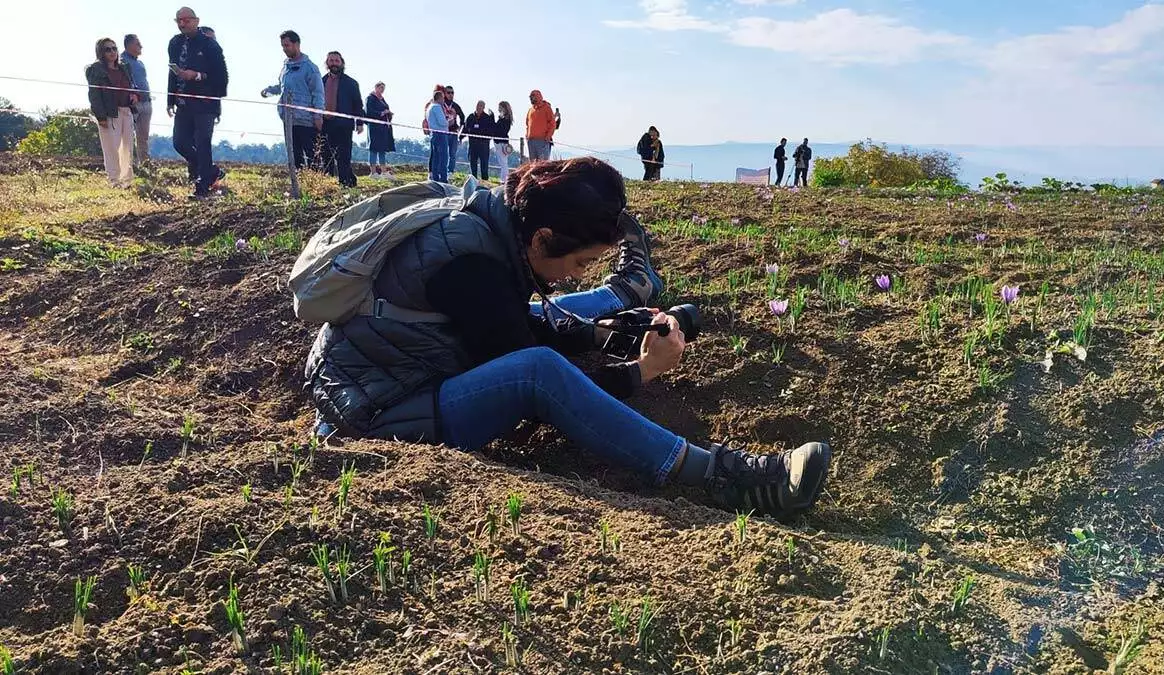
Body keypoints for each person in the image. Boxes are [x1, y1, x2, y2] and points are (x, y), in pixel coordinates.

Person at [304, 157, 832, 521]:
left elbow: (513, 325)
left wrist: (603, 334)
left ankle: (627, 296)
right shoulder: (471, 264)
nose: (567, 277)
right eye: (577, 263)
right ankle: (727, 476)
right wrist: (640, 371)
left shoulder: (491, 227)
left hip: (395, 373)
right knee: (537, 368)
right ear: (541, 238)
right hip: (374, 413)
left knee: (543, 329)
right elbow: (539, 388)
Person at [167, 6, 228, 198]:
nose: (183, 23)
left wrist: (197, 76)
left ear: (197, 21)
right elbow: (171, 71)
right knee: (179, 142)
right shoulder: (174, 43)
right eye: (179, 20)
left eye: (186, 19)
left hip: (204, 104)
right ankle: (209, 171)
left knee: (203, 142)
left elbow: (222, 78)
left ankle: (203, 186)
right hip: (183, 103)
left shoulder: (210, 45)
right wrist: (170, 98)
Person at [260, 30, 324, 170]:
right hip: (288, 119)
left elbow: (318, 93)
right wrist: (269, 91)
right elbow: (283, 87)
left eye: (287, 45)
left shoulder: (310, 68)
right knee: (294, 156)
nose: (284, 49)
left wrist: (318, 116)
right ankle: (299, 184)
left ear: (297, 44)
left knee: (312, 155)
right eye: (283, 46)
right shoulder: (285, 68)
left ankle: (316, 184)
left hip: (306, 120)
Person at [86, 38, 137, 188]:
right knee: (111, 148)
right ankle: (114, 180)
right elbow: (94, 94)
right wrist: (100, 116)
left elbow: (132, 85)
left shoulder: (124, 67)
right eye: (108, 49)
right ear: (101, 52)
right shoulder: (95, 69)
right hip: (109, 113)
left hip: (126, 110)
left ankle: (127, 180)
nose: (112, 52)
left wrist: (134, 96)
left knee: (127, 147)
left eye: (114, 48)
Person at [318, 51, 365, 188]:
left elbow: (358, 104)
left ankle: (345, 183)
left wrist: (360, 122)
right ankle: (328, 184)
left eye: (336, 61)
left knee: (343, 156)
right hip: (325, 124)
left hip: (344, 125)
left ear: (342, 63)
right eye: (331, 61)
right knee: (326, 155)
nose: (334, 63)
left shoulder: (351, 83)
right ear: (327, 63)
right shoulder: (321, 82)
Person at [120, 34, 152, 168]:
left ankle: (144, 164)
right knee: (127, 135)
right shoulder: (121, 61)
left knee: (143, 136)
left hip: (146, 102)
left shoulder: (140, 63)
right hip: (132, 103)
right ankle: (127, 164)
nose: (141, 46)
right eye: (138, 44)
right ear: (129, 45)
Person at [365, 82, 395, 179]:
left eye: (383, 88)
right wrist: (382, 113)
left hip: (383, 128)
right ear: (376, 87)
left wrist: (389, 113)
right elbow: (369, 112)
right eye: (381, 87)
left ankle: (384, 171)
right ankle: (373, 172)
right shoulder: (370, 98)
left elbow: (386, 108)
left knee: (382, 149)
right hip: (374, 128)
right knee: (373, 149)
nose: (382, 90)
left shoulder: (382, 99)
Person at [462, 100, 495, 181]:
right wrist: (460, 138)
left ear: (483, 107)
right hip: (473, 145)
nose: (478, 107)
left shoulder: (487, 118)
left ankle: (485, 182)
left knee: (484, 165)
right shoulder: (470, 117)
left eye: (481, 106)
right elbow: (465, 129)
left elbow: (491, 131)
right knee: (473, 164)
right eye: (477, 105)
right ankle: (473, 181)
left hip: (483, 145)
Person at [425, 89, 449, 183]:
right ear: (439, 98)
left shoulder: (430, 107)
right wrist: (449, 122)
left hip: (434, 134)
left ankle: (435, 177)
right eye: (443, 98)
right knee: (443, 157)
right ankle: (443, 178)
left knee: (435, 157)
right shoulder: (437, 107)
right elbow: (442, 122)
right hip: (440, 134)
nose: (444, 100)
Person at [525, 89, 555, 161]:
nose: (531, 98)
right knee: (532, 165)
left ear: (538, 96)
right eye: (530, 97)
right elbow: (527, 124)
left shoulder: (547, 108)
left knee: (542, 165)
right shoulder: (530, 110)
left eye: (533, 96)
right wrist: (527, 135)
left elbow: (552, 124)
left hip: (542, 141)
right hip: (531, 141)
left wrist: (547, 137)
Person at [443, 85, 465, 177]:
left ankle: (450, 171)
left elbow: (462, 116)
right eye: (448, 92)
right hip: (443, 132)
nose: (451, 94)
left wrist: (460, 126)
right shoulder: (441, 104)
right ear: (444, 93)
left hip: (453, 132)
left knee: (452, 153)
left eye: (452, 93)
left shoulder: (455, 105)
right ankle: (442, 170)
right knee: (443, 153)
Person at [492, 101, 514, 185]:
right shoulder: (503, 118)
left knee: (503, 163)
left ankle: (504, 180)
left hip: (502, 143)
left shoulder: (506, 119)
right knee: (502, 162)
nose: (498, 109)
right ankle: (504, 179)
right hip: (498, 142)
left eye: (500, 107)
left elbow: (501, 130)